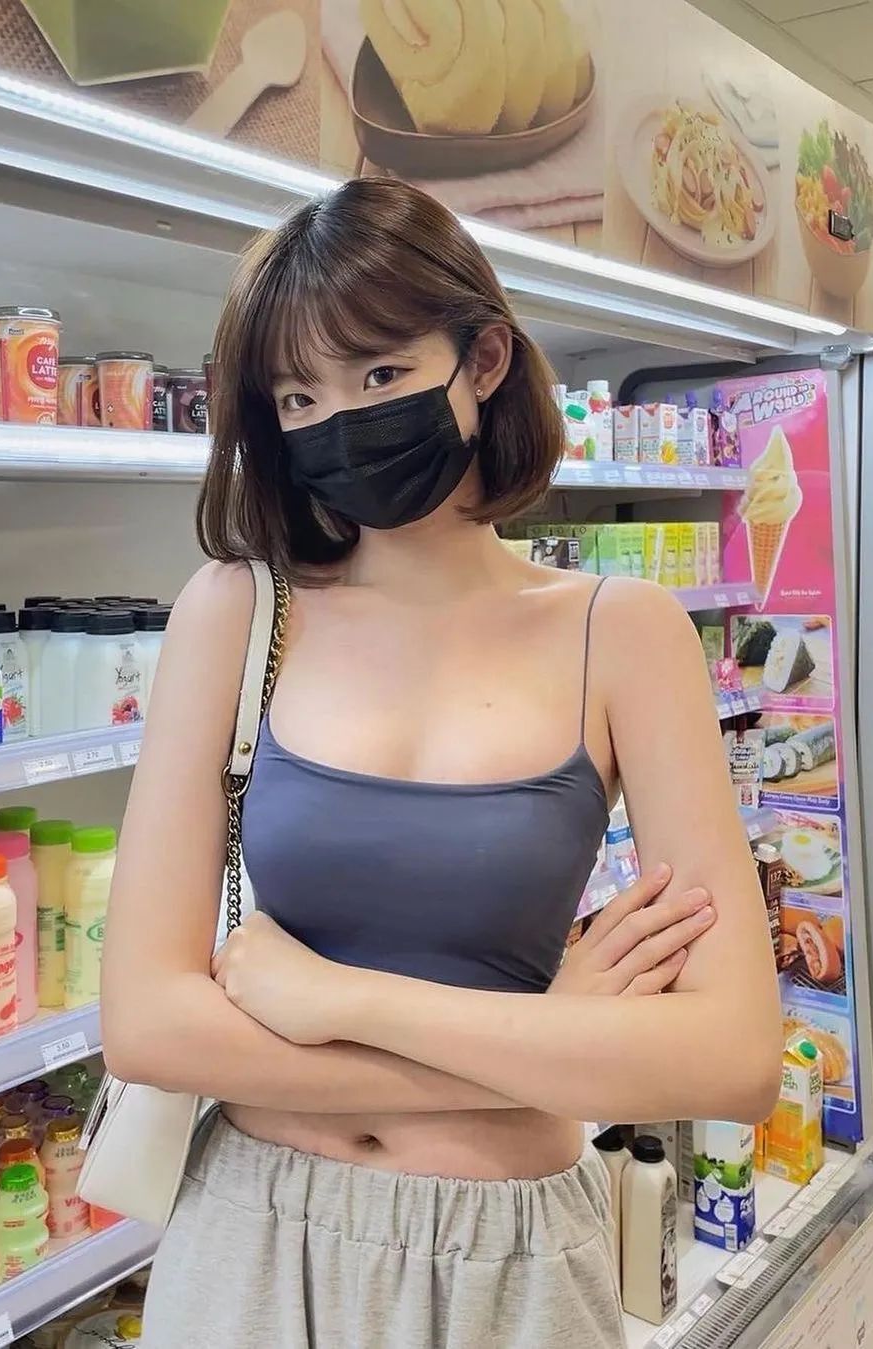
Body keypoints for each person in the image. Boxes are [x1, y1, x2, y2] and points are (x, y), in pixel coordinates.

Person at [102, 178, 782, 1348]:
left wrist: (344, 1001)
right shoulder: (236, 614)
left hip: (509, 1257)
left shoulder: (624, 633)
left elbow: (732, 1056)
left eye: (378, 375)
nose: (338, 421)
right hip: (251, 1235)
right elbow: (149, 1026)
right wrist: (553, 1047)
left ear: (484, 360)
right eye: (299, 397)